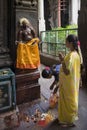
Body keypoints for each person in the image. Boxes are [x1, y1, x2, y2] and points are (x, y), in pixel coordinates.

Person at [58, 34, 80, 127]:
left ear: (70, 43)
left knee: (68, 101)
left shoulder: (72, 56)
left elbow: (67, 71)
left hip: (68, 83)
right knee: (70, 100)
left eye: (66, 41)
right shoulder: (75, 54)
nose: (65, 43)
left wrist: (62, 60)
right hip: (72, 82)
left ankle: (69, 121)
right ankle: (68, 118)